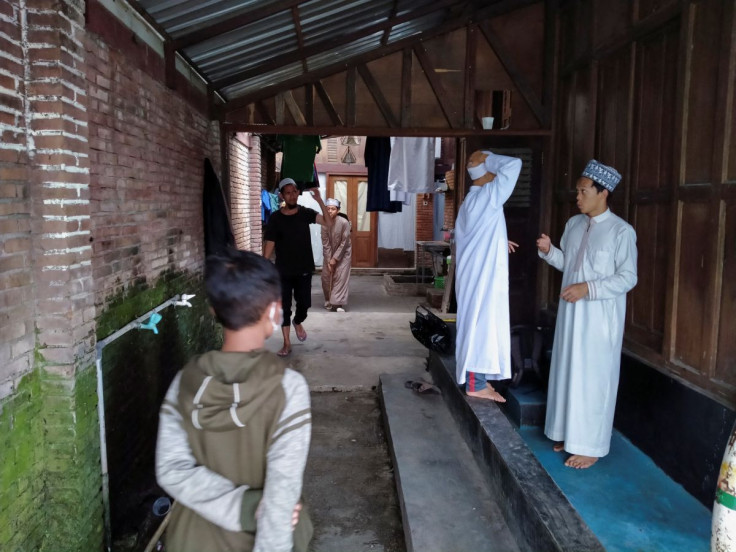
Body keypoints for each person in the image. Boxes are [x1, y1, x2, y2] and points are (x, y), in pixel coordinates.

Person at [155, 249, 313, 551]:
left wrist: (239, 506)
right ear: (273, 310)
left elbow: (171, 468)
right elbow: (281, 498)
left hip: (191, 539)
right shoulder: (288, 388)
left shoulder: (184, 381)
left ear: (214, 311)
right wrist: (250, 508)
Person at [536, 159, 638, 469]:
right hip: (571, 314)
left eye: (583, 191)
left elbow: (628, 277)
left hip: (598, 320)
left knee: (594, 378)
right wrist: (549, 251)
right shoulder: (574, 224)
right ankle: (568, 434)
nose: (577, 197)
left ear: (602, 193)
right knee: (569, 371)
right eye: (577, 191)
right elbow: (569, 264)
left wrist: (588, 289)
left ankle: (592, 446)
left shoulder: (621, 231)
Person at [454, 150, 521, 402]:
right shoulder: (488, 197)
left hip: (475, 275)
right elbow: (514, 164)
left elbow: (472, 237)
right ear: (489, 174)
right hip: (482, 278)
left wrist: (498, 240)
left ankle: (479, 379)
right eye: (493, 171)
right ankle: (476, 382)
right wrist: (488, 157)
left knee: (480, 324)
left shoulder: (471, 202)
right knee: (480, 326)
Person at [263, 177, 332, 357]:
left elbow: (328, 223)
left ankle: (298, 321)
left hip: (303, 269)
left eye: (295, 191)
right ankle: (287, 343)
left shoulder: (305, 213)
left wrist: (319, 200)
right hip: (283, 270)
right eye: (288, 192)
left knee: (304, 305)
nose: (292, 195)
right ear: (282, 195)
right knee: (285, 307)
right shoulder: (276, 218)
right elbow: (270, 242)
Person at [321, 198, 352, 312]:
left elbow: (345, 242)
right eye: (328, 209)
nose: (330, 211)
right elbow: (325, 243)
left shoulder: (344, 223)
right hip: (329, 253)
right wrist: (329, 260)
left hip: (344, 254)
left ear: (338, 210)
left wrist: (335, 258)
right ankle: (328, 299)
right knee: (326, 276)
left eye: (333, 209)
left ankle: (338, 304)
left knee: (340, 276)